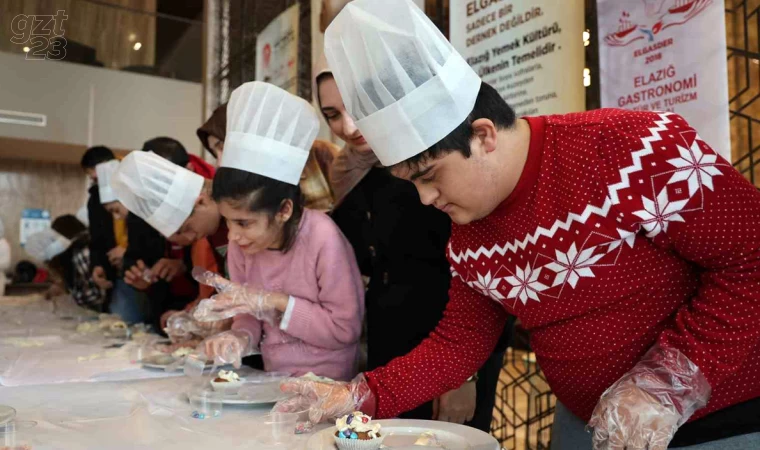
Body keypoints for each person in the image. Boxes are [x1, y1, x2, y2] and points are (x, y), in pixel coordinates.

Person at [269, 1, 760, 449]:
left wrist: (666, 383)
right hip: (590, 424)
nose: (425, 199)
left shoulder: (631, 150)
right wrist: (363, 394)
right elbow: (458, 343)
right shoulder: (469, 236)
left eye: (429, 176)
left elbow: (751, 258)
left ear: (483, 137)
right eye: (409, 183)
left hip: (721, 420)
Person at [315, 61, 509, 430]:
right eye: (332, 115)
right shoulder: (346, 173)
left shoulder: (435, 160)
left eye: (358, 110)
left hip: (457, 341)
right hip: (389, 341)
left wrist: (464, 376)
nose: (348, 127)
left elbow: (488, 271)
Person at [191, 81, 364, 381]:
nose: (233, 236)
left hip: (330, 384)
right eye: (228, 222)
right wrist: (239, 338)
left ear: (284, 210)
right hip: (273, 379)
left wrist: (276, 301)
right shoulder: (242, 245)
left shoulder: (323, 238)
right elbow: (248, 312)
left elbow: (344, 331)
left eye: (244, 223)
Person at [111, 150, 231, 345]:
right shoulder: (210, 230)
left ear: (199, 202)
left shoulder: (235, 222)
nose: (191, 237)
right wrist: (191, 317)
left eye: (187, 229)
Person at [25, 220, 106, 311]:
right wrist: (64, 287)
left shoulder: (81, 254)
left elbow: (96, 295)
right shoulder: (75, 257)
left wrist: (69, 295)